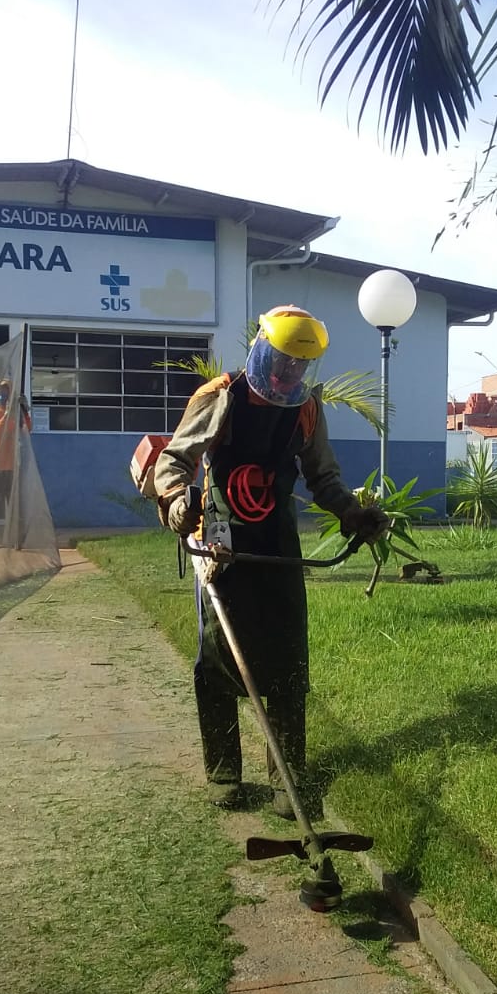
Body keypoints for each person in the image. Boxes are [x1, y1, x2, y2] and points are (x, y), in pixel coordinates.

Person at [152, 305, 389, 816]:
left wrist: (352, 513)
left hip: (278, 541)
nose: (288, 372)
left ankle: (287, 778)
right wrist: (176, 503)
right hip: (221, 540)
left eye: (299, 364)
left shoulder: (307, 408)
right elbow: (175, 460)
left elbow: (322, 477)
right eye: (282, 360)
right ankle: (223, 773)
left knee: (287, 658)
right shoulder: (221, 397)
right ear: (262, 349)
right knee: (219, 658)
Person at [0, 377, 31, 549]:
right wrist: (6, 415)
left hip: (11, 466)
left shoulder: (15, 415)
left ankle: (18, 538)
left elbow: (26, 430)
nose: (3, 393)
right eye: (0, 390)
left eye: (6, 390)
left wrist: (24, 412)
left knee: (15, 503)